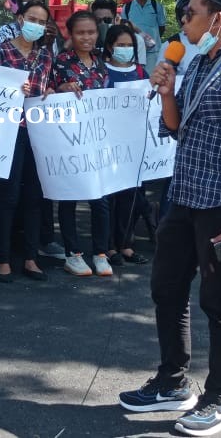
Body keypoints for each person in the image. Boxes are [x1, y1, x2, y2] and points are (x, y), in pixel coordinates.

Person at [118, 0, 221, 436]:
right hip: (184, 196)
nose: (183, 21)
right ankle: (171, 380)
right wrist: (166, 91)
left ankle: (220, 397)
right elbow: (176, 126)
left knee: (219, 301)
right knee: (166, 288)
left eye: (190, 13)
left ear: (217, 18)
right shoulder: (201, 61)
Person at [0, 0, 54, 283]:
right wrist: (11, 90)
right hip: (9, 131)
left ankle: (30, 258)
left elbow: (46, 86)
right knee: (7, 196)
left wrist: (50, 91)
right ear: (19, 19)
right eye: (32, 19)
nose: (36, 25)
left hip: (38, 131)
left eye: (41, 22)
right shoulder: (1, 52)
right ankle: (3, 259)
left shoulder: (46, 55)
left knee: (34, 196)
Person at [49, 11, 113, 277]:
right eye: (80, 33)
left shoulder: (101, 63)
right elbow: (49, 94)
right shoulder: (61, 62)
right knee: (69, 197)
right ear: (70, 35)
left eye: (91, 32)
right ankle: (72, 254)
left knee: (101, 199)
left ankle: (100, 252)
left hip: (97, 140)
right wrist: (61, 90)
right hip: (70, 141)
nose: (86, 37)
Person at [100, 22, 151, 266]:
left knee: (130, 197)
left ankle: (126, 244)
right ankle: (109, 246)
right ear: (110, 47)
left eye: (129, 45)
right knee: (110, 197)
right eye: (120, 45)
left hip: (134, 144)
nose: (125, 49)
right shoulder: (101, 71)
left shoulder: (141, 74)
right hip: (107, 143)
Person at [121, 0, 167, 68]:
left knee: (152, 79)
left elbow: (162, 27)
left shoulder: (156, 5)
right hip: (134, 51)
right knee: (136, 78)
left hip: (154, 52)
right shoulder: (127, 7)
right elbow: (124, 29)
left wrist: (152, 39)